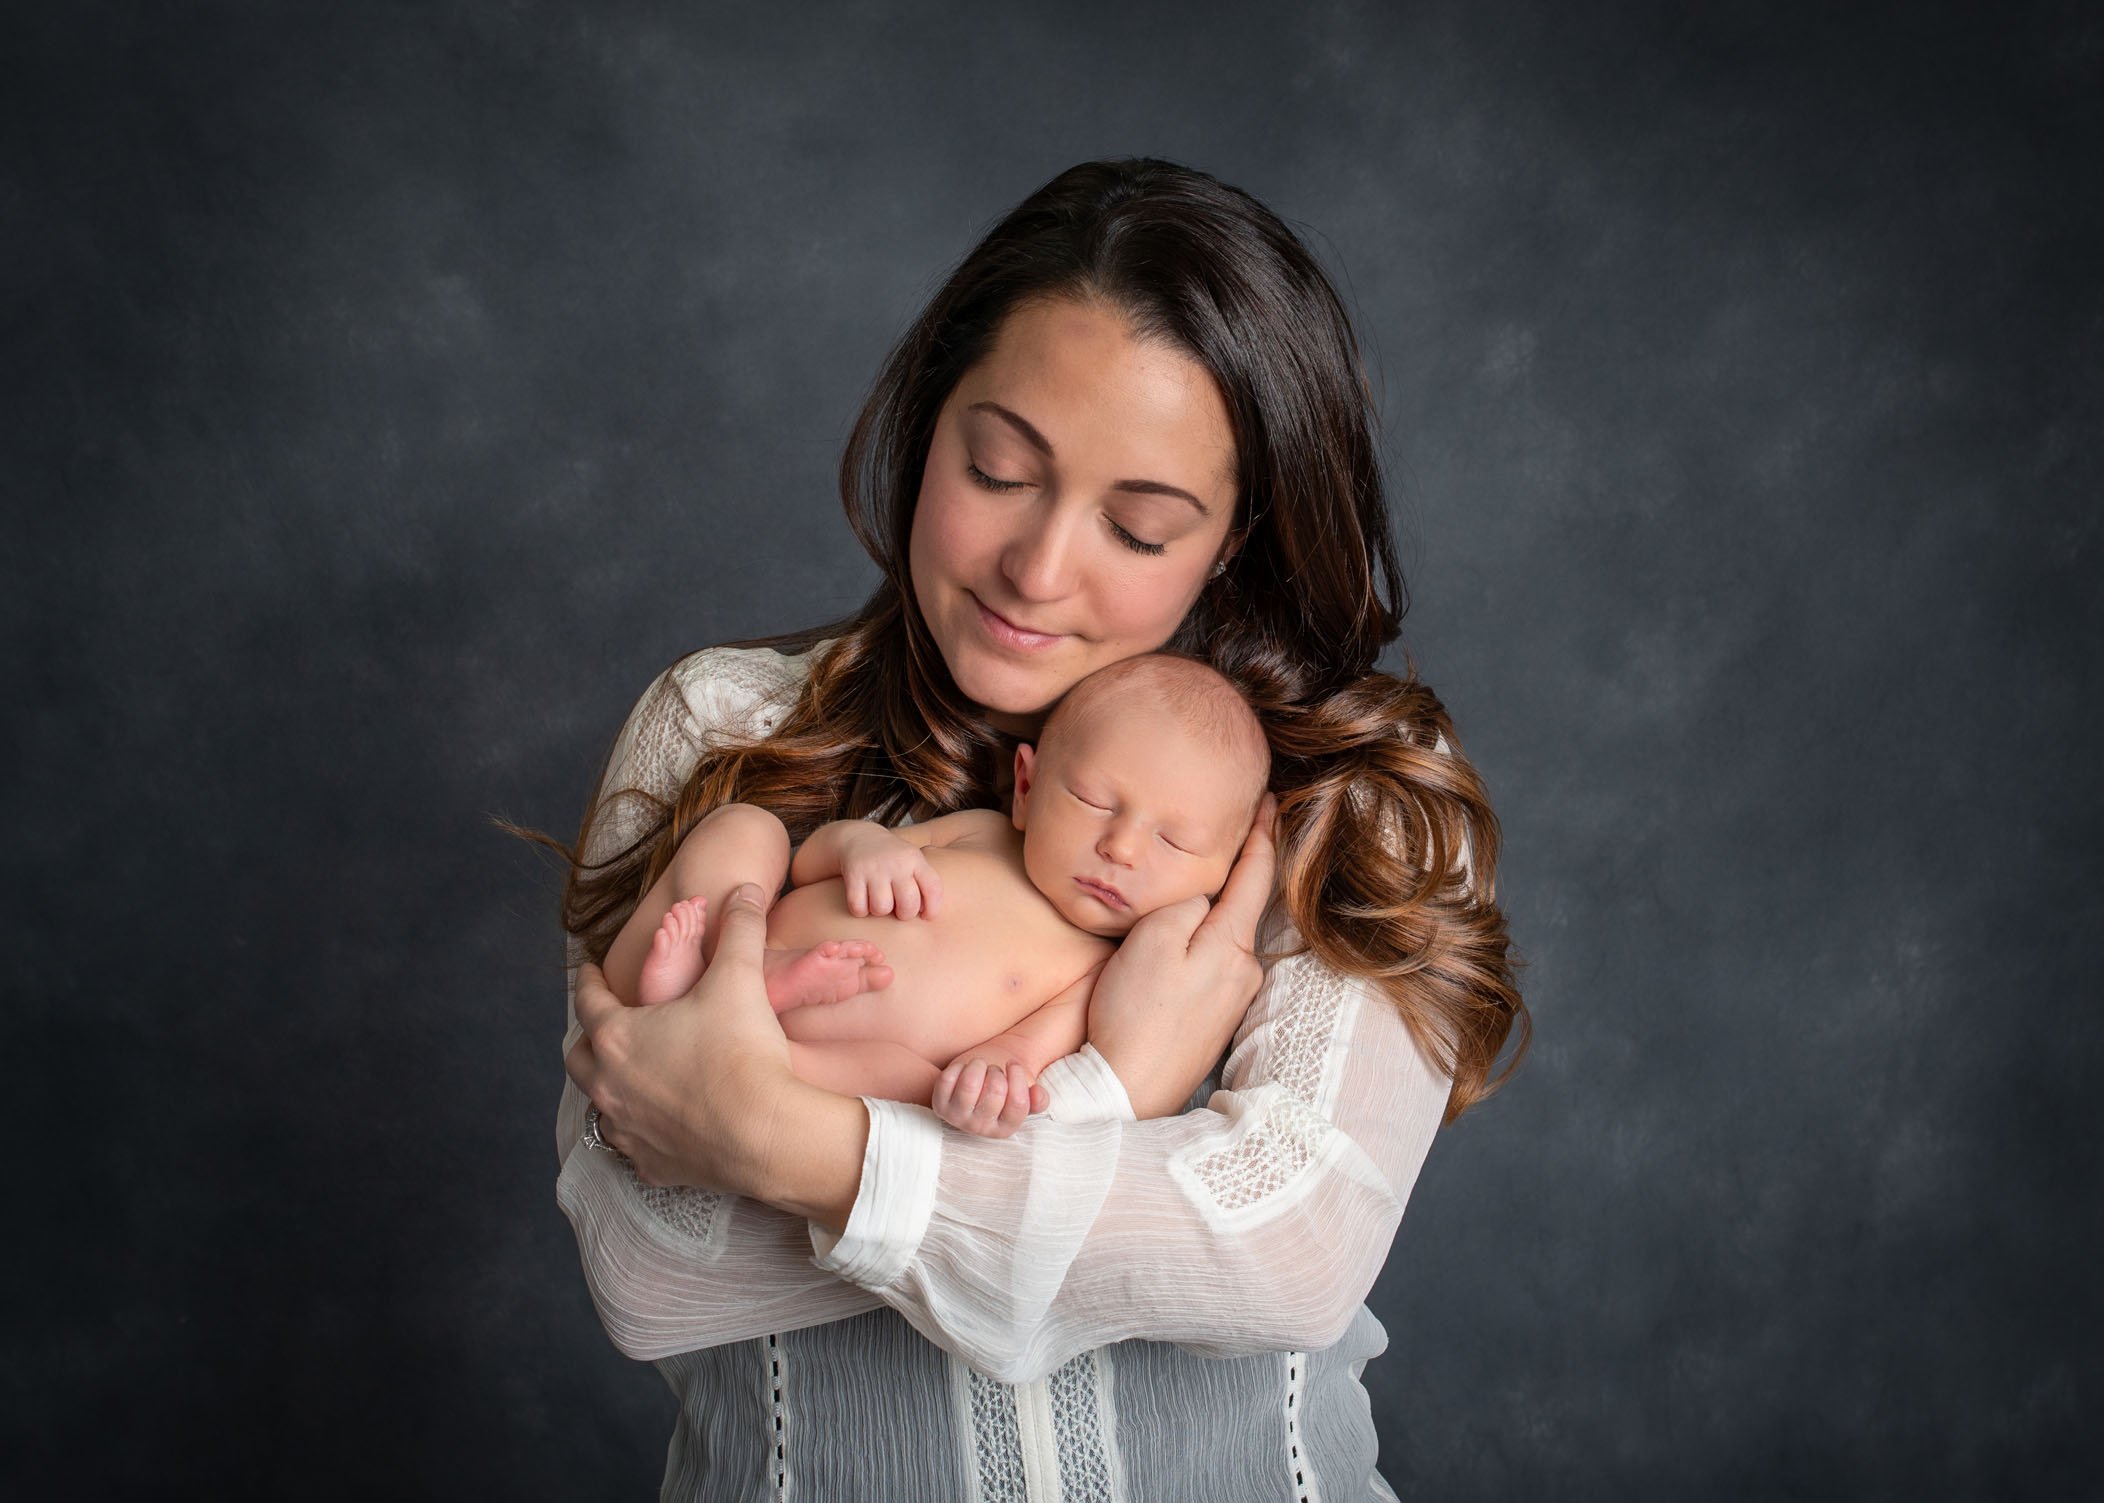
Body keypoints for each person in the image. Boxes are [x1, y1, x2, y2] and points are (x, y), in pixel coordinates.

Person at [554, 158, 1527, 1499]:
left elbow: (1289, 1250)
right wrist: (1124, 1101)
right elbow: (648, 1269)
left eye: (1139, 525)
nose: (1039, 566)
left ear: (1233, 540)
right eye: (999, 468)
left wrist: (772, 1138)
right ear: (927, 421)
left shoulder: (1336, 797)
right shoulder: (727, 725)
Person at [601, 653, 1272, 1138]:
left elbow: (1022, 1052)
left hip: (814, 1061)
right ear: (1027, 786)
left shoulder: (1104, 971)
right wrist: (867, 847)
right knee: (748, 828)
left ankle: (726, 1022)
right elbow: (810, 865)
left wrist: (997, 1069)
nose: (1121, 847)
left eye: (1176, 843)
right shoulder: (981, 833)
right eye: (1092, 800)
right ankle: (719, 979)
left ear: (1223, 872)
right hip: (743, 933)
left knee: (913, 1092)